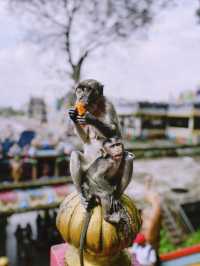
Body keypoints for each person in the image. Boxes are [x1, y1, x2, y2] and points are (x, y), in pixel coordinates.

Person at [130, 177, 162, 266]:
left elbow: (157, 208)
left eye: (146, 217)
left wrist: (148, 187)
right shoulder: (140, 240)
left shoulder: (150, 237)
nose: (143, 217)